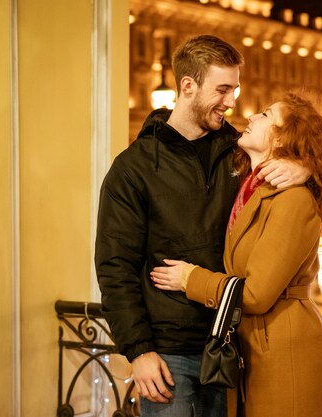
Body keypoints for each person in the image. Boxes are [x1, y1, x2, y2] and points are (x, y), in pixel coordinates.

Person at [95, 35, 308, 417]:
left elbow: (302, 158)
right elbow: (115, 267)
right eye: (222, 89)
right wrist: (139, 351)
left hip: (231, 347)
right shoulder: (133, 167)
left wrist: (303, 168)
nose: (232, 102)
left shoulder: (240, 152)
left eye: (235, 90)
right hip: (167, 354)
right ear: (187, 86)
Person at [150, 91, 322, 417]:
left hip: (285, 350)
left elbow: (255, 294)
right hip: (256, 344)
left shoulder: (292, 200)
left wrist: (190, 278)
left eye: (267, 115)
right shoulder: (252, 186)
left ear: (285, 137)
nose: (252, 116)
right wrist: (307, 166)